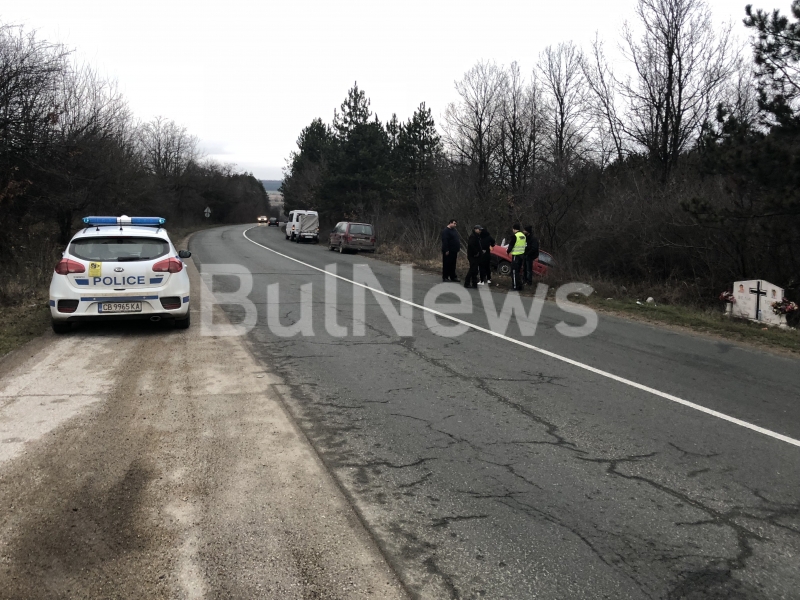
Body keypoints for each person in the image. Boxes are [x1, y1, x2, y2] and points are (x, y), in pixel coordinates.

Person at [506, 223, 526, 291]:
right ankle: (520, 286)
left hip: (516, 255)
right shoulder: (523, 236)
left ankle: (515, 286)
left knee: (514, 271)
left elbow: (511, 245)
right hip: (521, 255)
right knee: (518, 271)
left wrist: (508, 251)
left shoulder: (515, 236)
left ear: (514, 229)